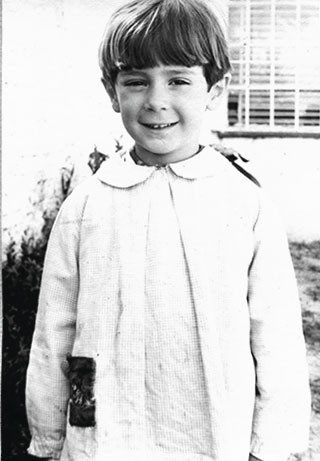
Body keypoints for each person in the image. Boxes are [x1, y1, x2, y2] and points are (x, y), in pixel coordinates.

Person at [26, 1, 311, 460]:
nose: (156, 100)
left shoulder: (244, 205)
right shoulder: (86, 207)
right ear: (112, 91)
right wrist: (49, 439)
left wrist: (271, 445)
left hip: (213, 435)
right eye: (136, 81)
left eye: (178, 79)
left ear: (214, 91)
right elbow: (53, 333)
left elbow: (276, 336)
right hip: (106, 438)